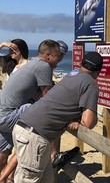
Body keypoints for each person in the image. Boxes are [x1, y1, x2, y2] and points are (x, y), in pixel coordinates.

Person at [12, 52, 103, 182]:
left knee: (47, 179)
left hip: (25, 126)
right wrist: (84, 119)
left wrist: (75, 118)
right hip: (35, 136)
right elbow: (88, 122)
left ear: (81, 64)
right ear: (98, 72)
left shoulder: (72, 75)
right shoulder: (91, 83)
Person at [0, 39, 61, 180]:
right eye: (58, 56)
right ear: (47, 55)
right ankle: (54, 153)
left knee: (3, 154)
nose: (59, 60)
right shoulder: (43, 66)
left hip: (3, 114)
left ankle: (4, 178)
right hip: (9, 116)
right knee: (34, 118)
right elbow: (48, 98)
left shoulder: (32, 64)